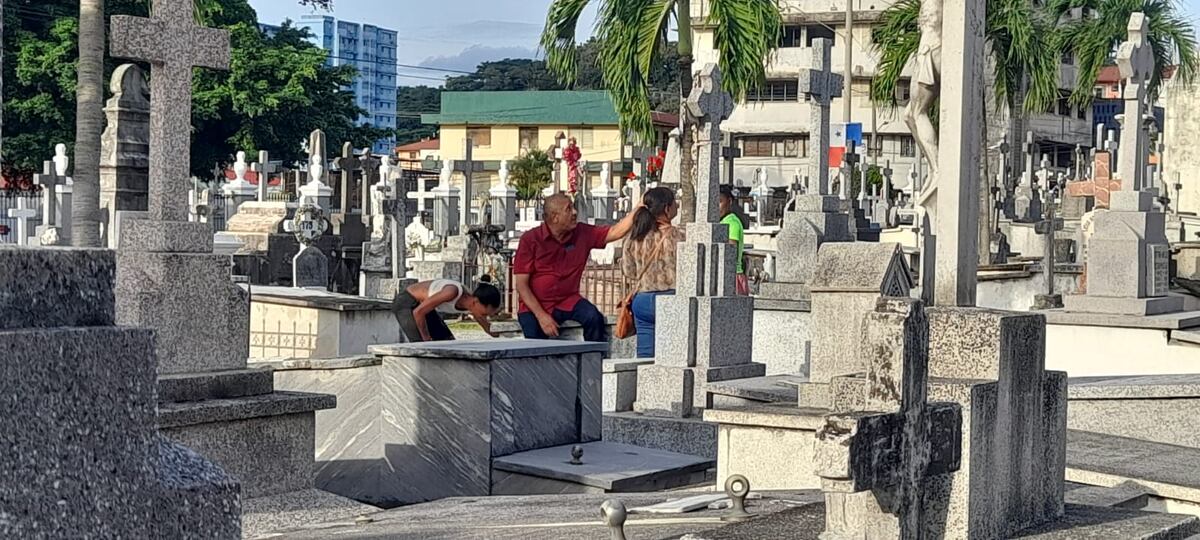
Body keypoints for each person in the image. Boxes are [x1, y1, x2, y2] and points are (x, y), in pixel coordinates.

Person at [514, 193, 641, 342]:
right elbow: (522, 285)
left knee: (593, 317)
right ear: (555, 217)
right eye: (569, 209)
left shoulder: (582, 233)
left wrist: (638, 208)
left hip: (568, 300)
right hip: (534, 305)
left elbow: (614, 232)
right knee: (535, 345)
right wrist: (541, 316)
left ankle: (594, 360)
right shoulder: (530, 240)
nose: (575, 212)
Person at [620, 187, 685, 358]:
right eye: (674, 203)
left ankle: (642, 384)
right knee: (671, 355)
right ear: (666, 208)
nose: (677, 206)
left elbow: (629, 272)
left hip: (642, 300)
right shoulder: (681, 236)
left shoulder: (635, 237)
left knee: (645, 355)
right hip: (671, 299)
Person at [392, 277, 502, 342]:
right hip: (407, 303)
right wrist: (425, 338)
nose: (484, 316)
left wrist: (500, 335)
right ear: (476, 301)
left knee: (447, 341)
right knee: (421, 345)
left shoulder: (472, 305)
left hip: (424, 307)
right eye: (485, 313)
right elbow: (418, 312)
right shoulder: (452, 292)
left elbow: (485, 324)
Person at [719, 186, 750, 295]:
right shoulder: (721, 222)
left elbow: (731, 252)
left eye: (719, 202)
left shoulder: (732, 223)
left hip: (733, 276)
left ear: (729, 201)